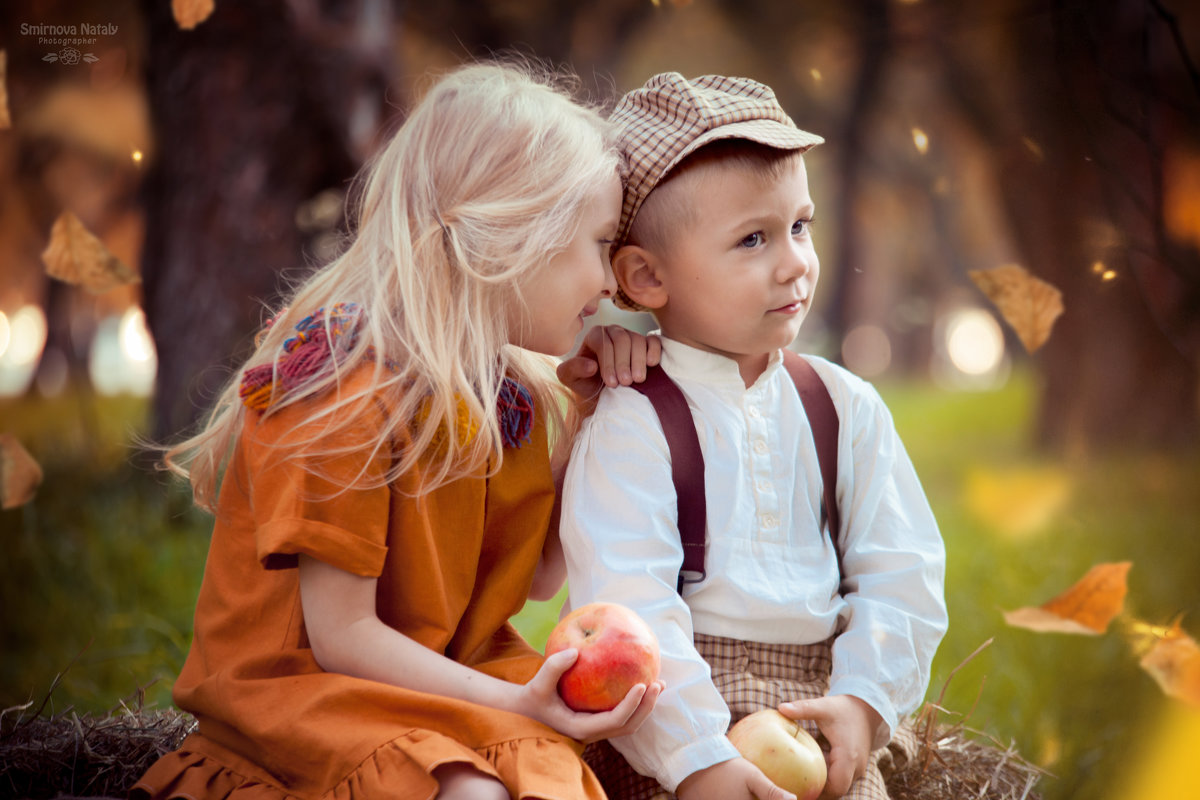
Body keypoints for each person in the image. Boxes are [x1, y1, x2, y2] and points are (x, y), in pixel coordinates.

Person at [132, 61, 666, 800]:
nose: (611, 283)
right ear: (506, 233)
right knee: (469, 792)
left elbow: (537, 577)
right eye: (599, 244)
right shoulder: (340, 384)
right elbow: (342, 636)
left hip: (442, 669)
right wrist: (514, 703)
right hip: (308, 690)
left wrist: (583, 420)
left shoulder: (507, 392)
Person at [558, 73, 948, 800]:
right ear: (645, 276)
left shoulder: (843, 406)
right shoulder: (635, 419)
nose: (794, 261)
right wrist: (698, 756)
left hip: (819, 712)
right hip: (679, 719)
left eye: (800, 226)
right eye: (753, 239)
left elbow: (903, 570)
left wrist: (864, 700)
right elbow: (631, 604)